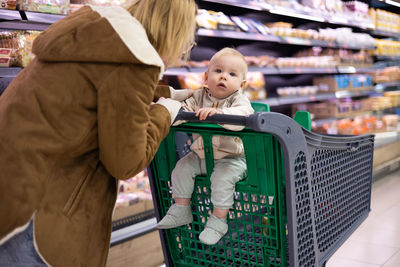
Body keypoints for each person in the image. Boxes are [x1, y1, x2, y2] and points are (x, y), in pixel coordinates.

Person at [0, 1, 197, 266]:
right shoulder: (133, 61)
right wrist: (165, 112)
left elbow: (104, 94)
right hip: (39, 215)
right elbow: (126, 161)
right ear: (174, 31)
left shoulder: (96, 35)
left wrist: (171, 95)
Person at [157, 48, 254, 245]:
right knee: (181, 169)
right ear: (206, 76)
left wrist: (220, 114)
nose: (223, 77)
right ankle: (181, 208)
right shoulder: (199, 95)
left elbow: (244, 115)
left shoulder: (238, 99)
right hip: (202, 156)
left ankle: (218, 221)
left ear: (242, 84)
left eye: (232, 74)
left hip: (231, 159)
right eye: (218, 71)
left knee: (222, 180)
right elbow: (184, 108)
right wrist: (174, 112)